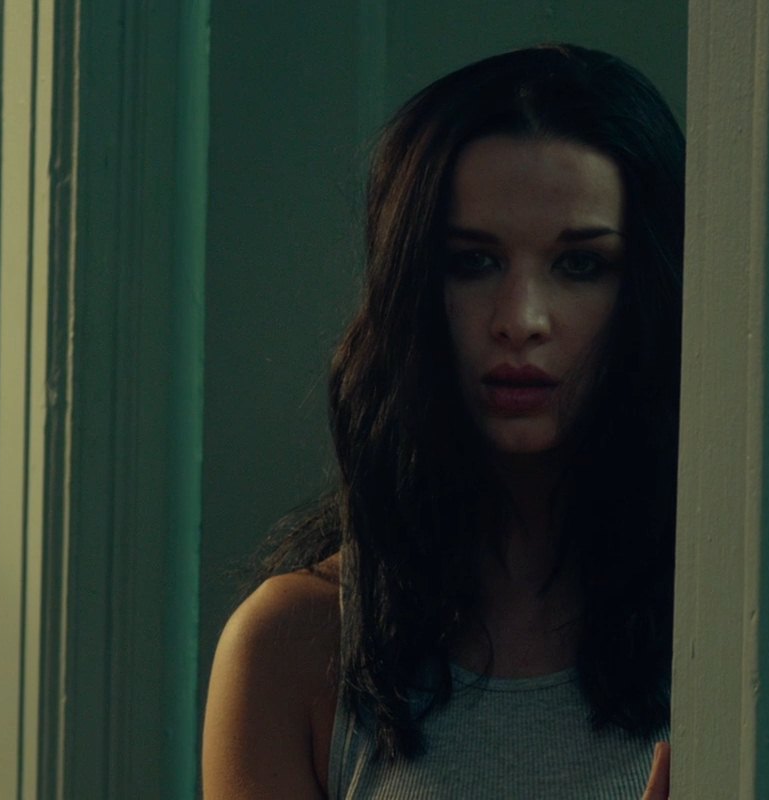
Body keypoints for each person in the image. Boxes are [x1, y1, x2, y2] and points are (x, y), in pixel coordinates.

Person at [202, 43, 683, 799]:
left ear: (647, 290)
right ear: (412, 290)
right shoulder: (294, 645)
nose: (521, 320)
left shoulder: (738, 625)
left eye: (580, 265)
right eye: (472, 262)